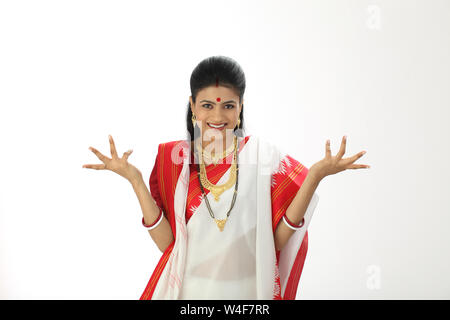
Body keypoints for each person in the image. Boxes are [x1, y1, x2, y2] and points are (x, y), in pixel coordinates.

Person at [82, 56, 370, 300]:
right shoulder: (174, 161)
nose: (217, 115)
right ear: (193, 106)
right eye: (207, 105)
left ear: (240, 106)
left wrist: (315, 176)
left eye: (228, 106)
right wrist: (135, 180)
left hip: (245, 295)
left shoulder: (264, 159)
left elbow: (277, 243)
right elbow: (166, 244)